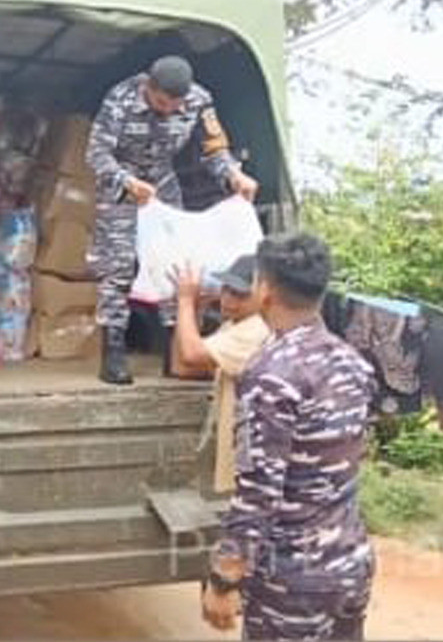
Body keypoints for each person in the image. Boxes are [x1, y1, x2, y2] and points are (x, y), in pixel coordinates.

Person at [201, 233, 376, 641]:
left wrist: (225, 579)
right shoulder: (351, 361)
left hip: (293, 581)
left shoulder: (271, 374)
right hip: (351, 563)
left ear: (264, 290)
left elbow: (259, 493)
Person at [86, 55, 259, 385]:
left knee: (174, 265)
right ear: (148, 87)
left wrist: (234, 175)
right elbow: (96, 154)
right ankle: (114, 353)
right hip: (122, 187)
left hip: (163, 186)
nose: (168, 110)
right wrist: (126, 182)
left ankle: (174, 351)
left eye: (175, 105)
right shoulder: (120, 97)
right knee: (118, 267)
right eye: (161, 103)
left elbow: (214, 149)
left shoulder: (200, 101)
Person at [172, 255, 270, 494]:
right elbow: (182, 367)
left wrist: (185, 302)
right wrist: (194, 310)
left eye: (240, 294)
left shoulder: (256, 329)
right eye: (226, 289)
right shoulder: (234, 326)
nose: (228, 300)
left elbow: (191, 355)